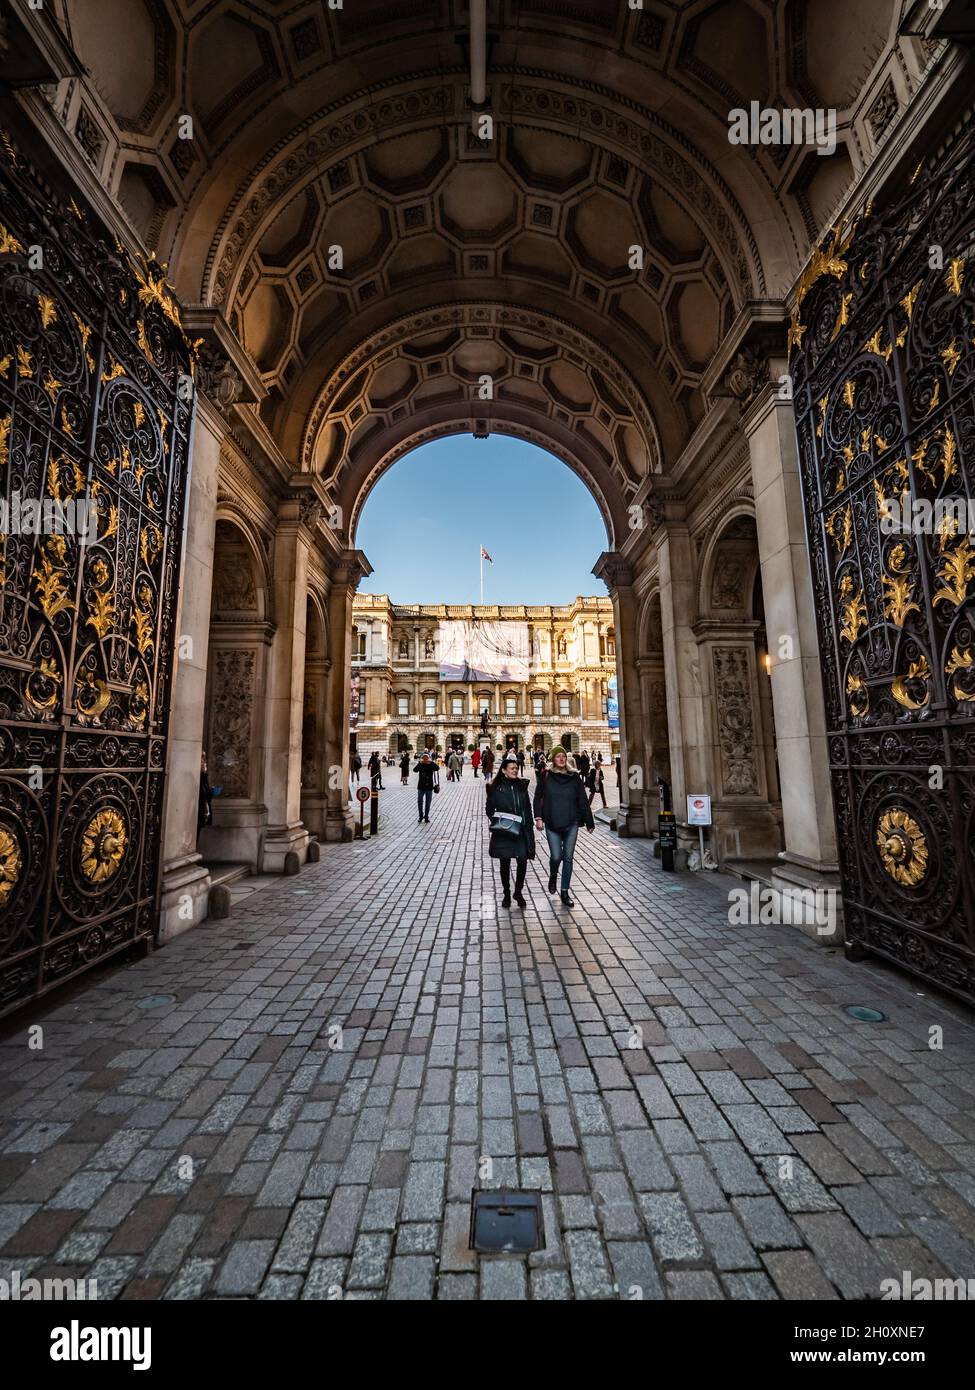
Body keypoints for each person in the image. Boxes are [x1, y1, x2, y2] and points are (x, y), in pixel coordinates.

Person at [533, 744, 594, 907]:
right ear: (553, 759)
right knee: (556, 856)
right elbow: (537, 797)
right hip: (552, 822)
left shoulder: (574, 777)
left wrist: (589, 821)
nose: (561, 758)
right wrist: (538, 817)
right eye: (558, 756)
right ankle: (553, 874)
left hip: (571, 822)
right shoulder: (546, 776)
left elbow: (582, 799)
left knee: (568, 857)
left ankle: (565, 891)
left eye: (563, 756)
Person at [486, 752, 535, 909]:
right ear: (503, 770)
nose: (515, 770)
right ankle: (507, 893)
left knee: (522, 860)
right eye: (512, 768)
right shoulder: (495, 788)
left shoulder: (522, 786)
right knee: (504, 862)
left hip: (520, 829)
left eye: (516, 768)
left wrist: (530, 825)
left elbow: (527, 807)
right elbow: (489, 809)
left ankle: (518, 892)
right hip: (504, 830)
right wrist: (500, 820)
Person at [413, 749, 439, 822]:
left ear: (428, 758)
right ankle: (421, 816)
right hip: (421, 787)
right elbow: (414, 770)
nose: (425, 759)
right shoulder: (420, 764)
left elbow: (437, 768)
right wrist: (419, 763)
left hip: (429, 787)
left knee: (428, 803)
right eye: (424, 758)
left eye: (426, 758)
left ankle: (426, 816)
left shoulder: (431, 764)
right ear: (422, 758)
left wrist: (432, 762)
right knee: (420, 802)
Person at [198, 752, 213, 839]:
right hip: (199, 811)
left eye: (204, 761)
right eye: (202, 762)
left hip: (202, 812)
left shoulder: (203, 777)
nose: (205, 764)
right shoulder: (200, 777)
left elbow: (206, 794)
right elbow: (203, 794)